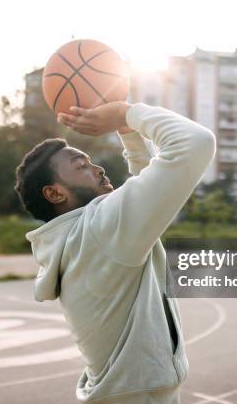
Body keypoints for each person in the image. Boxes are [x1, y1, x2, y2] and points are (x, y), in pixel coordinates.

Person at [14, 101, 216, 403]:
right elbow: (196, 142)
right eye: (81, 166)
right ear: (55, 193)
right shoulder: (99, 229)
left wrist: (129, 134)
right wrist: (125, 112)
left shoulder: (75, 238)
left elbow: (147, 191)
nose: (97, 167)